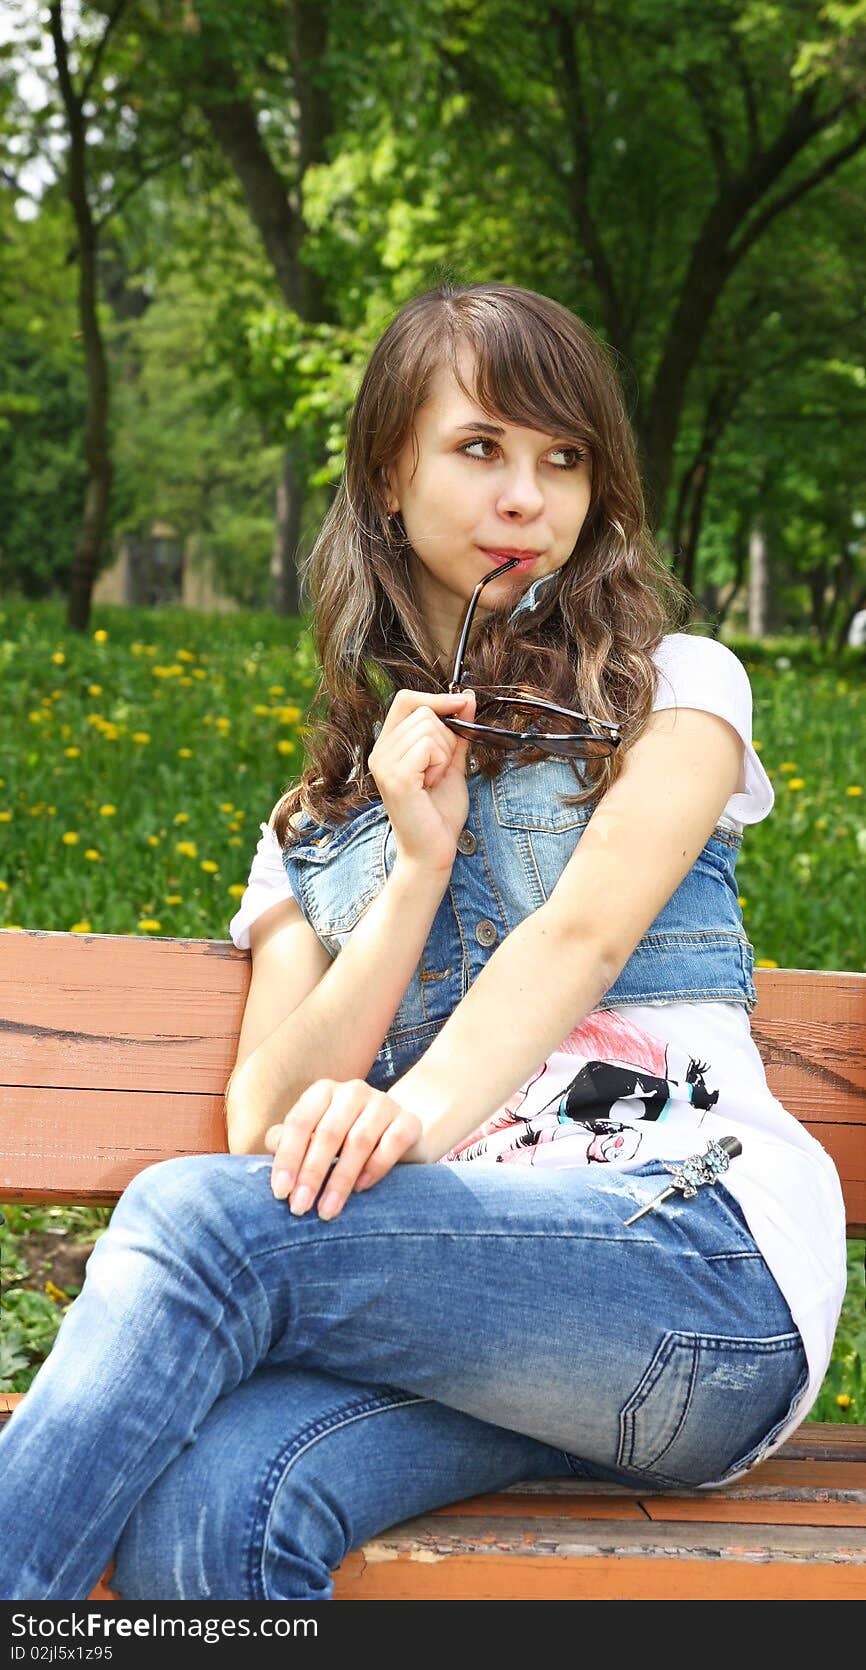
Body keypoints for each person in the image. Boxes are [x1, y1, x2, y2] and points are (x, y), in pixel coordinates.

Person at [0, 283, 847, 1602]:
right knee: (213, 1510)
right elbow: (261, 1123)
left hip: (698, 1270)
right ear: (389, 475)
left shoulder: (675, 689)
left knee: (194, 1225)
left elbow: (577, 930)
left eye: (560, 460)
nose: (526, 496)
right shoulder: (308, 833)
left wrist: (408, 1116)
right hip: (483, 1329)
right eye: (480, 448)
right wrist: (412, 865)